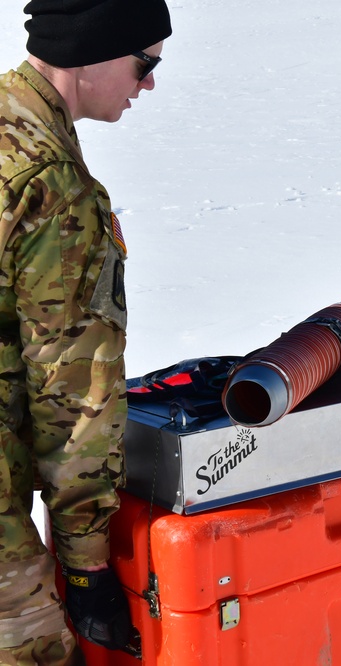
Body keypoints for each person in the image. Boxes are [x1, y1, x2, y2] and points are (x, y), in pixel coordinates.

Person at [0, 0, 171, 663]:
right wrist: (85, 566)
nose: (148, 84)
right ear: (96, 54)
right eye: (144, 64)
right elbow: (75, 393)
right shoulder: (52, 186)